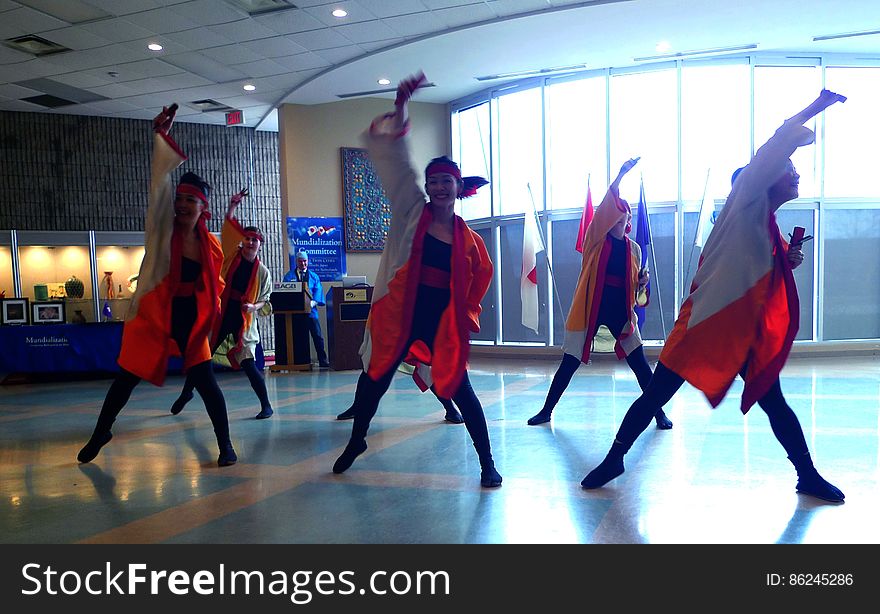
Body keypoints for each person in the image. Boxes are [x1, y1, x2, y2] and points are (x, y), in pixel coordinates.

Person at [581, 89, 847, 503]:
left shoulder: (764, 221)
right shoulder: (746, 198)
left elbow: (752, 272)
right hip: (705, 323)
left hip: (737, 331)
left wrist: (787, 261)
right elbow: (776, 143)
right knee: (656, 394)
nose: (795, 173)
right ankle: (615, 457)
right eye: (788, 167)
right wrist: (817, 106)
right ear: (760, 177)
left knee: (773, 402)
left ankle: (807, 474)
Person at [332, 73, 501, 488]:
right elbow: (400, 164)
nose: (439, 186)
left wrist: (463, 316)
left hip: (440, 323)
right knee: (374, 380)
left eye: (447, 181)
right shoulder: (412, 213)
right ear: (427, 187)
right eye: (434, 181)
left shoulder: (471, 241)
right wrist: (402, 106)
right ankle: (357, 441)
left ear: (458, 187)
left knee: (463, 391)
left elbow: (481, 280)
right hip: (402, 316)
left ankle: (487, 463)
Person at [77, 103, 237, 467]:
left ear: (203, 207)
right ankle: (101, 431)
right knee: (126, 378)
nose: (180, 204)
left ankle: (225, 445)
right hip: (157, 313)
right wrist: (160, 137)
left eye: (189, 200)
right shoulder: (161, 231)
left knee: (207, 382)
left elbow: (217, 286)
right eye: (178, 199)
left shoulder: (209, 244)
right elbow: (158, 186)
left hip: (190, 320)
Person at [527, 158, 673, 430]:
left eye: (624, 215)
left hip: (621, 312)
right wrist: (620, 176)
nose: (619, 218)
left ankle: (659, 413)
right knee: (569, 362)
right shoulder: (595, 239)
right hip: (591, 308)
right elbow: (607, 204)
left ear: (629, 220)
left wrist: (643, 282)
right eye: (615, 214)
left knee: (641, 365)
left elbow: (640, 296)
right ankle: (546, 410)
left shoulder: (635, 250)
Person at [169, 188, 274, 420]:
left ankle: (266, 405)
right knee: (201, 357)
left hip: (243, 321)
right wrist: (232, 205)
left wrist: (252, 308)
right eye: (247, 238)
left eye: (254, 240)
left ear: (260, 245)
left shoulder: (263, 273)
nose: (250, 242)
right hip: (221, 313)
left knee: (248, 363)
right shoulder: (230, 257)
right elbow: (228, 228)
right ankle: (187, 393)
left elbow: (266, 301)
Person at [336, 362, 465, 424]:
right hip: (384, 322)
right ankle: (357, 408)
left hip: (410, 322)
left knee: (425, 368)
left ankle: (450, 409)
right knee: (370, 365)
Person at [283, 250, 329, 368]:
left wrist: (311, 304)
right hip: (295, 313)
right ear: (296, 262)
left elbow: (318, 292)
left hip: (311, 313)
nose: (303, 264)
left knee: (317, 336)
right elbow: (285, 293)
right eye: (300, 261)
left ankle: (323, 361)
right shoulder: (289, 276)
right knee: (298, 337)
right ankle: (301, 362)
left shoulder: (314, 276)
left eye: (305, 261)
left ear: (307, 261)